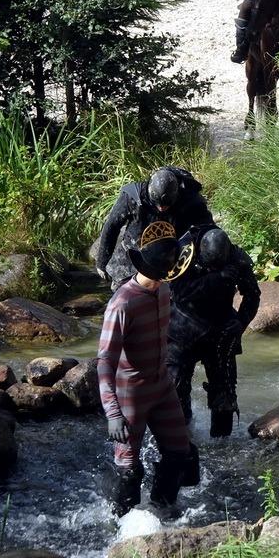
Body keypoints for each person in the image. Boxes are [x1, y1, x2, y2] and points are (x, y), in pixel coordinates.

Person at [97, 220, 200, 516]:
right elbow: (105, 360)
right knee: (128, 470)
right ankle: (118, 527)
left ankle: (162, 511)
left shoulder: (164, 291)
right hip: (131, 393)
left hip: (163, 386)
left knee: (181, 454)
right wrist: (113, 413)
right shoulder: (122, 303)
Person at [168, 226, 261, 437]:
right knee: (175, 386)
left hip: (221, 328)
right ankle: (182, 436)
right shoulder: (184, 252)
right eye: (208, 267)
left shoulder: (237, 259)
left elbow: (252, 296)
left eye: (215, 267)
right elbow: (178, 292)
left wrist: (241, 320)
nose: (210, 269)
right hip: (183, 326)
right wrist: (216, 277)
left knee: (225, 394)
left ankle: (222, 444)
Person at [96, 166, 215, 289]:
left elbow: (208, 231)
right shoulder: (133, 196)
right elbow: (111, 227)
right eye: (157, 204)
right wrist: (102, 262)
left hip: (170, 261)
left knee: (168, 299)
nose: (161, 208)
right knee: (123, 295)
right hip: (132, 255)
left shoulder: (190, 200)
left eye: (166, 205)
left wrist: (210, 260)